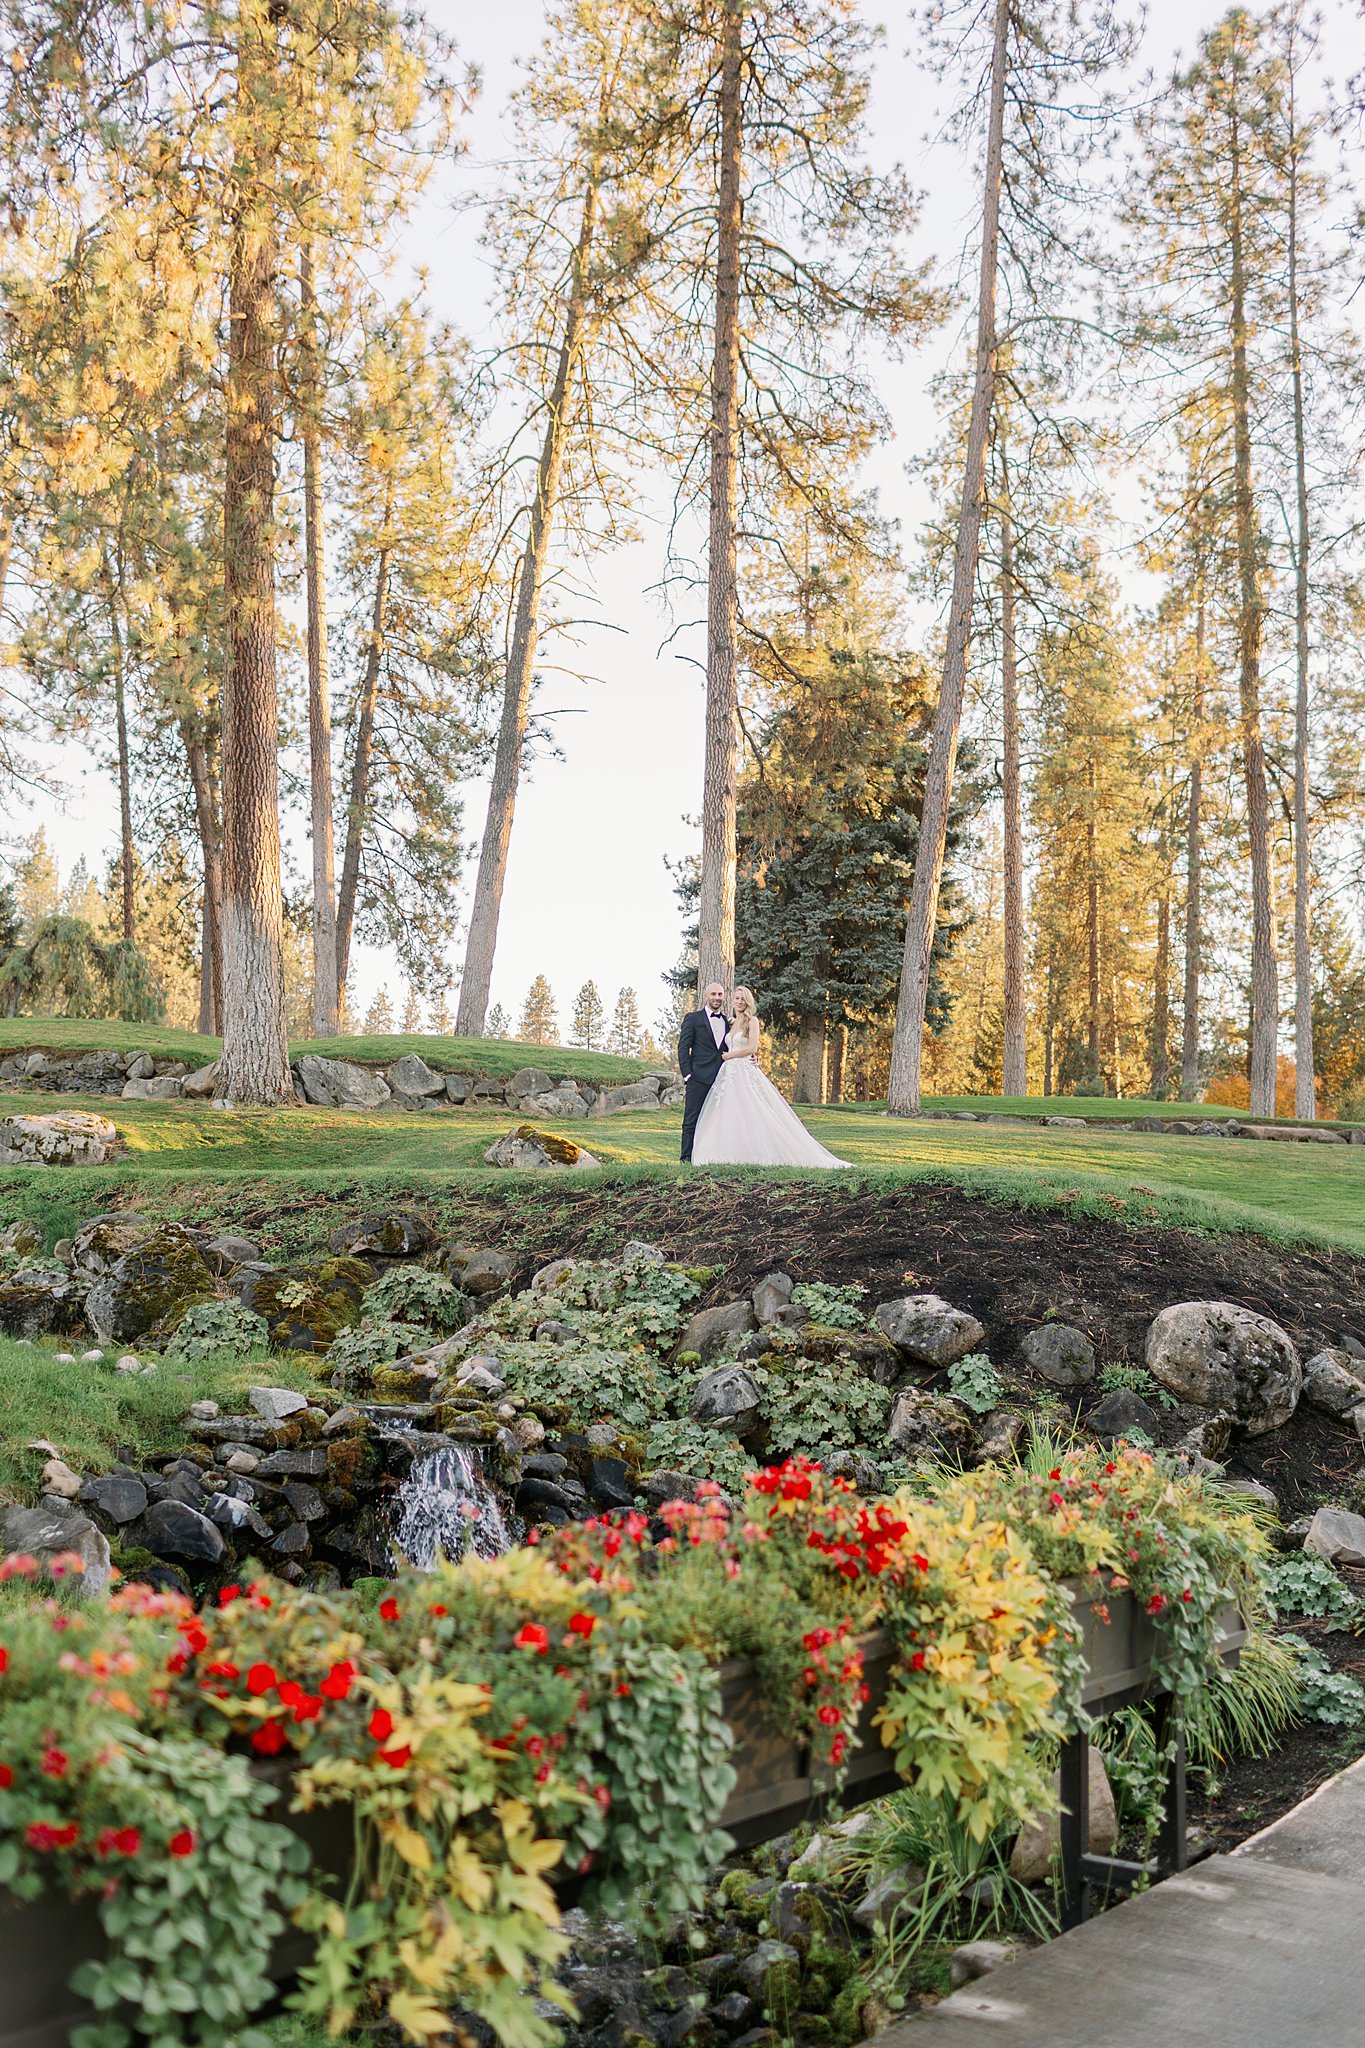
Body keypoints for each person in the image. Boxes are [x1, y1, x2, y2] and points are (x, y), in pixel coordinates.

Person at [691, 986, 849, 1169]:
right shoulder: (731, 1022)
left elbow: (752, 1048)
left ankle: (763, 1150)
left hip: (742, 1070)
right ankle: (725, 1151)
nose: (739, 1001)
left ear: (748, 1001)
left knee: (752, 1110)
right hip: (728, 1074)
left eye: (743, 998)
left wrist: (730, 1056)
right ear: (732, 1000)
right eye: (737, 998)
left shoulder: (752, 1021)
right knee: (729, 1111)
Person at [677, 981, 731, 1163]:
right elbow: (683, 1048)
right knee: (691, 1121)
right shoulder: (693, 1018)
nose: (717, 998)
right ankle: (686, 1159)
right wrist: (688, 1075)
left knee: (718, 1121)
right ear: (706, 996)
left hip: (721, 1080)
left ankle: (712, 1158)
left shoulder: (727, 1022)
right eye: (713, 994)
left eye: (720, 994)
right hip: (698, 1078)